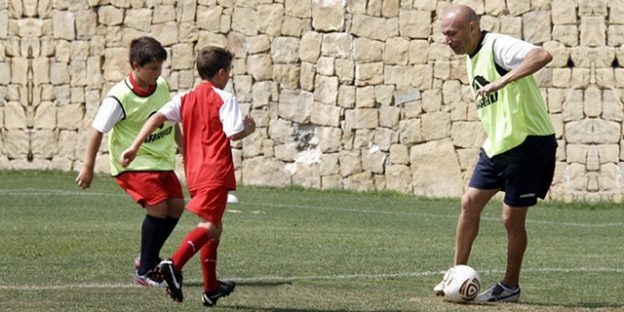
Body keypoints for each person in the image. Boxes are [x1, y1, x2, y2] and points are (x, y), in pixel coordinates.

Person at [435, 5, 557, 303]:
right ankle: (455, 274)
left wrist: (503, 80)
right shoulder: (471, 56)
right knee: (469, 203)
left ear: (472, 28)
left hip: (529, 143)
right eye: (444, 34)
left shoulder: (497, 46)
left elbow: (542, 55)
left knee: (510, 220)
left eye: (452, 33)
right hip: (499, 145)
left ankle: (509, 287)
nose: (447, 40)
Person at [119, 46, 256, 306]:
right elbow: (234, 132)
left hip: (194, 174)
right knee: (209, 227)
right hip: (215, 171)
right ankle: (173, 264)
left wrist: (134, 146)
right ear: (221, 72)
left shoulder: (185, 98)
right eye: (228, 73)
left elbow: (157, 117)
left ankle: (211, 288)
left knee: (215, 228)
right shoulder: (224, 99)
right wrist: (249, 128)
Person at [76, 36, 185, 287]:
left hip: (160, 160)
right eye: (152, 68)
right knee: (157, 207)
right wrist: (88, 167)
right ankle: (145, 271)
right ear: (136, 65)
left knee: (177, 206)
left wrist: (183, 147)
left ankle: (145, 258)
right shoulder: (119, 96)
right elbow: (97, 130)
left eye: (160, 68)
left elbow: (170, 119)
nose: (158, 73)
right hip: (132, 163)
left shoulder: (162, 86)